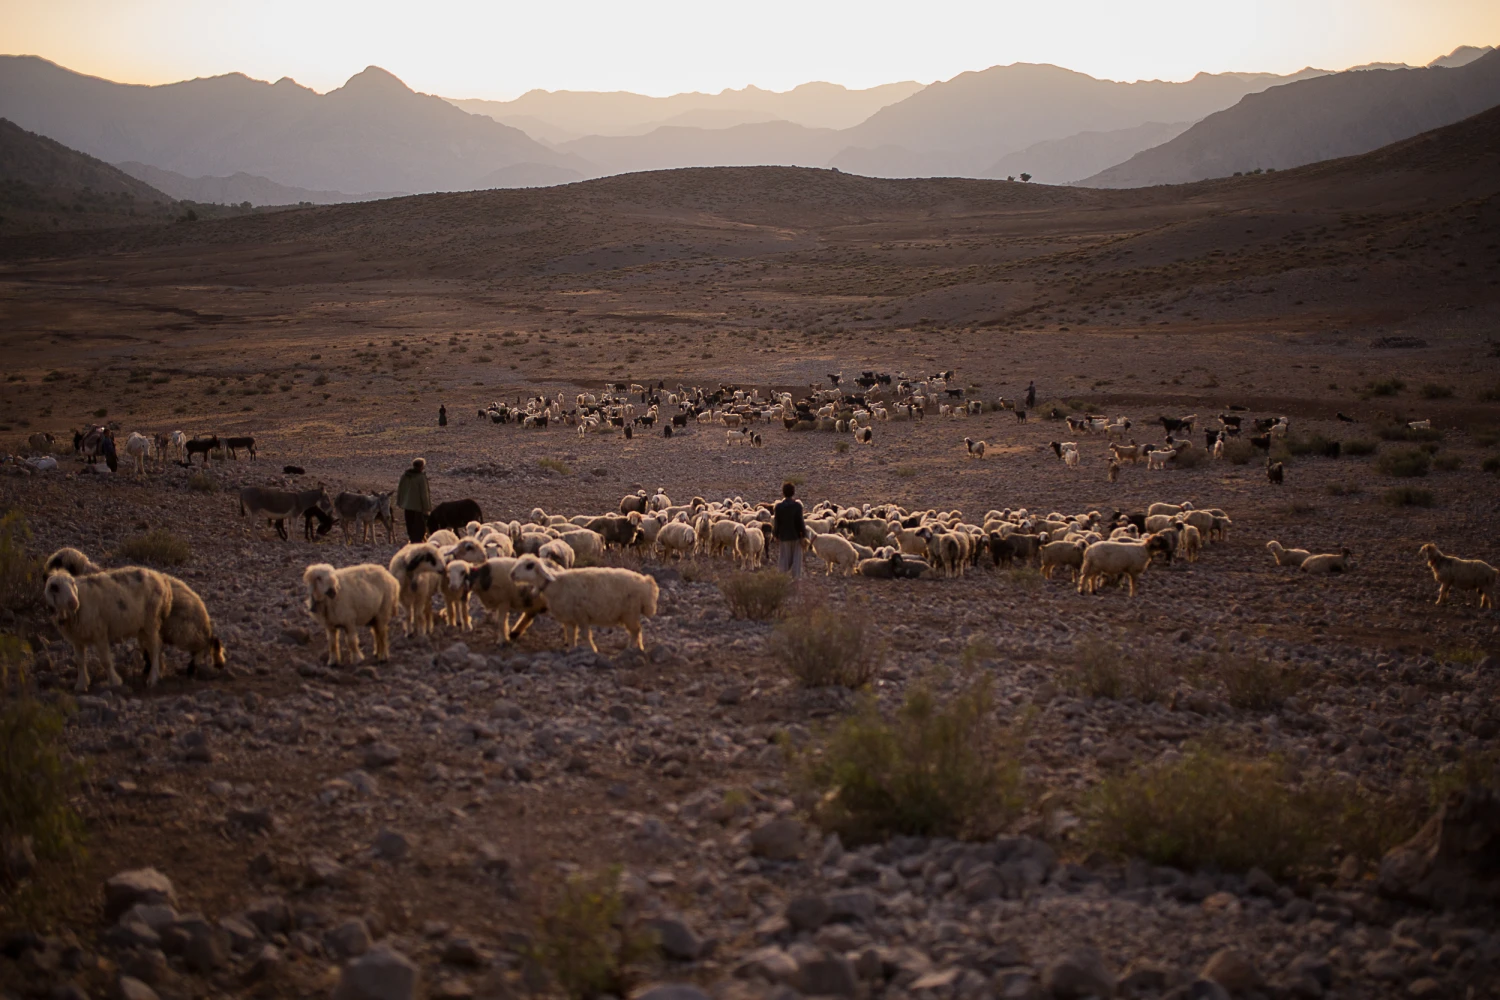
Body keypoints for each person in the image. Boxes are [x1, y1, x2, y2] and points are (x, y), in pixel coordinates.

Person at [773, 481, 806, 578]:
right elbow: (800, 522)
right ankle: (796, 580)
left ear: (783, 493)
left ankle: (783, 580)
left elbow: (777, 522)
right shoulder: (797, 506)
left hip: (784, 537)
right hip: (796, 536)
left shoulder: (778, 507)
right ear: (793, 492)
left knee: (784, 559)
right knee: (797, 559)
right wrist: (803, 535)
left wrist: (776, 535)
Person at [396, 457, 432, 542]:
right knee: (419, 527)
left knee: (410, 525)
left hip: (407, 505)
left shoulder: (405, 476)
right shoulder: (421, 477)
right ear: (422, 466)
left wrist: (400, 502)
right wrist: (427, 508)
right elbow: (424, 494)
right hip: (418, 507)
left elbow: (400, 489)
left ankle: (412, 540)